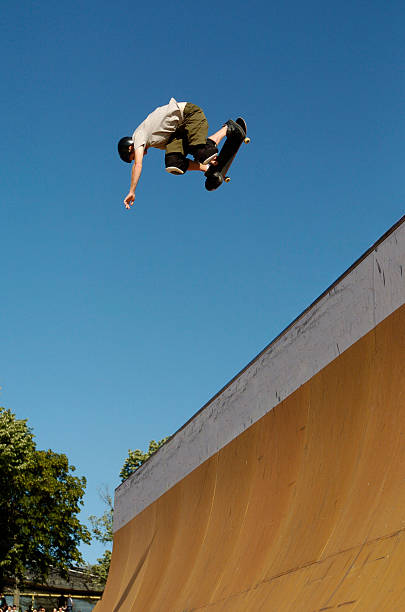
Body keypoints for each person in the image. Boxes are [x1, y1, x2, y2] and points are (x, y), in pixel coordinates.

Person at [117, 97, 241, 209]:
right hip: (179, 132)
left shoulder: (138, 136)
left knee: (203, 153)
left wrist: (132, 191)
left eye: (134, 156)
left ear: (130, 148)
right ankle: (208, 169)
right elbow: (185, 149)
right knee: (174, 163)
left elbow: (138, 165)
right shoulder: (157, 140)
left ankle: (228, 128)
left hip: (189, 115)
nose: (143, 155)